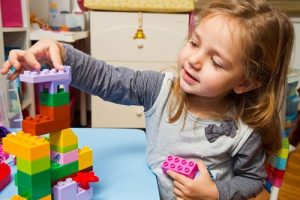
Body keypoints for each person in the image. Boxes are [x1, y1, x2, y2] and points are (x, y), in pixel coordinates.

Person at [1, 0, 295, 199]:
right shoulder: (160, 88)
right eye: (194, 42)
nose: (193, 60)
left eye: (216, 62)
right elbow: (106, 78)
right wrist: (60, 52)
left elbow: (253, 180)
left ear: (244, 82)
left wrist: (215, 192)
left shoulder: (246, 130)